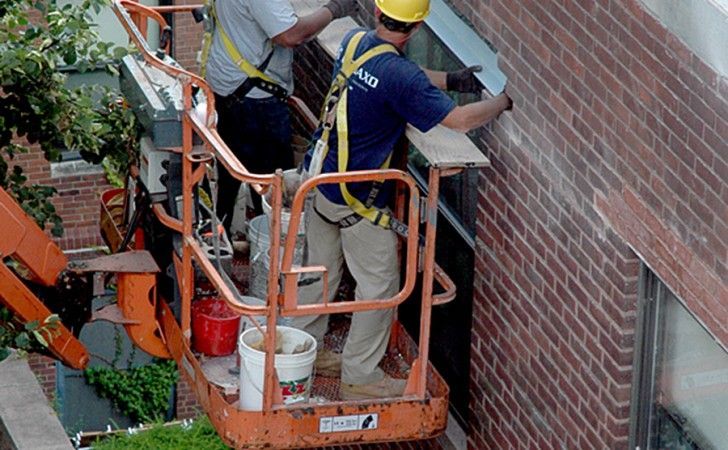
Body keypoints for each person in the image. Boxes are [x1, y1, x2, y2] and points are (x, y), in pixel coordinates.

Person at [292, 0, 512, 400]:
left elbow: (399, 73)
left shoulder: (357, 42)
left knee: (320, 275)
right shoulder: (401, 77)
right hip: (355, 201)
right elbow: (459, 121)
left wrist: (448, 80)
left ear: (378, 14)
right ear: (416, 29)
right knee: (380, 287)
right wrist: (503, 102)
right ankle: (360, 377)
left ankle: (304, 350)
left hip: (319, 182)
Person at [203, 0, 359, 233]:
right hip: (254, 100)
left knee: (231, 174)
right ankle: (271, 254)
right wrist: (335, 9)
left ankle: (219, 245)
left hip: (229, 86)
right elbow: (290, 35)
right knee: (275, 190)